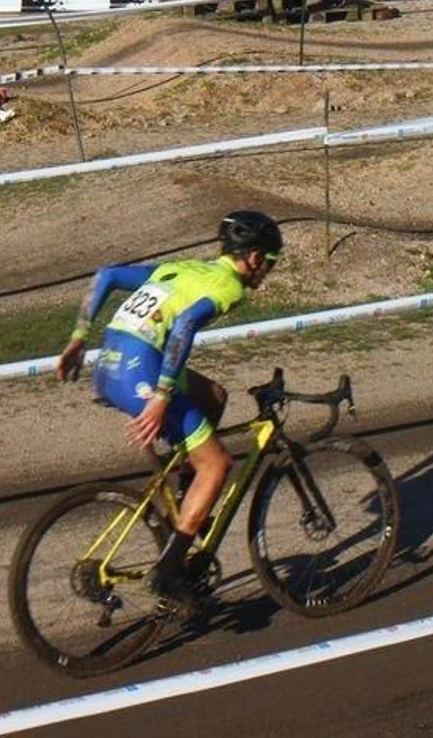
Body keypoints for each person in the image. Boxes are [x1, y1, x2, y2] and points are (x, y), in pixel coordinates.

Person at [56, 210, 284, 613]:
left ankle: (185, 501)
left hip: (109, 365)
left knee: (213, 396)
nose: (269, 270)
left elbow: (107, 274)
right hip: (141, 374)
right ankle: (167, 572)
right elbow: (183, 327)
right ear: (252, 257)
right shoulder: (229, 286)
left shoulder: (186, 267)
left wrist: (78, 338)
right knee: (218, 464)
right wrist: (161, 396)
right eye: (271, 260)